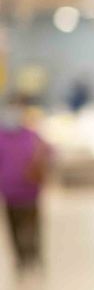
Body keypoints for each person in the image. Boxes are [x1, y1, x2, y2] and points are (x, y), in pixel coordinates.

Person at [0, 100, 48, 270]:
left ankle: (33, 255)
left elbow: (49, 152)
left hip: (30, 190)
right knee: (14, 227)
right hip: (9, 193)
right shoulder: (1, 137)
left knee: (31, 226)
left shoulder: (31, 136)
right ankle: (21, 257)